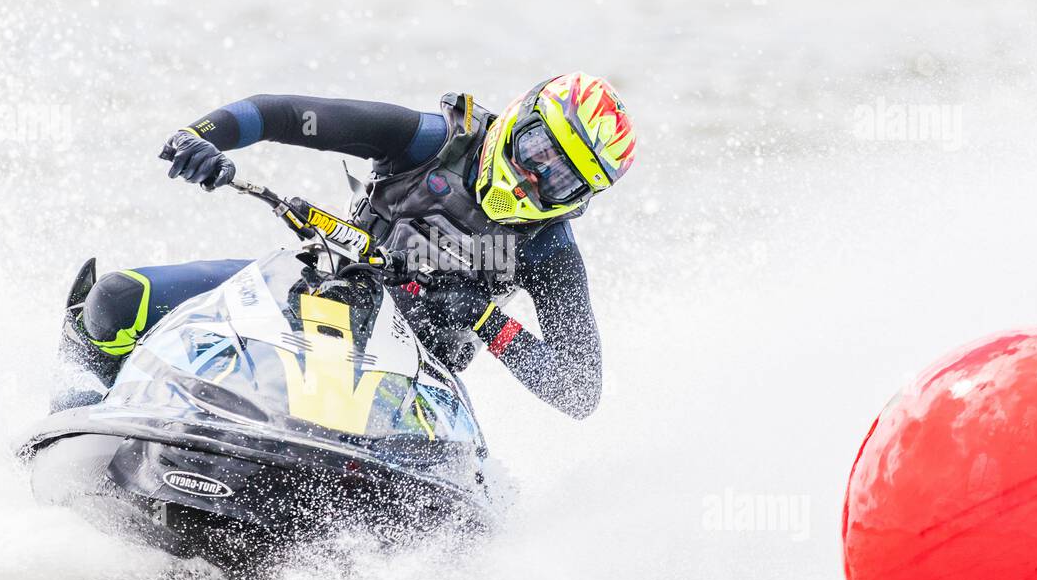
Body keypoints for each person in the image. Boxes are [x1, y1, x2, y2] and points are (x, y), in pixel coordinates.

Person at [56, 72, 636, 419]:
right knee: (114, 301)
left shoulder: (550, 251)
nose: (538, 177)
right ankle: (85, 415)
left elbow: (579, 391)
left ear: (582, 196)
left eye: (564, 179)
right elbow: (282, 115)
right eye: (540, 152)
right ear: (522, 117)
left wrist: (488, 322)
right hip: (312, 290)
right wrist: (199, 136)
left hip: (412, 380)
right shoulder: (426, 142)